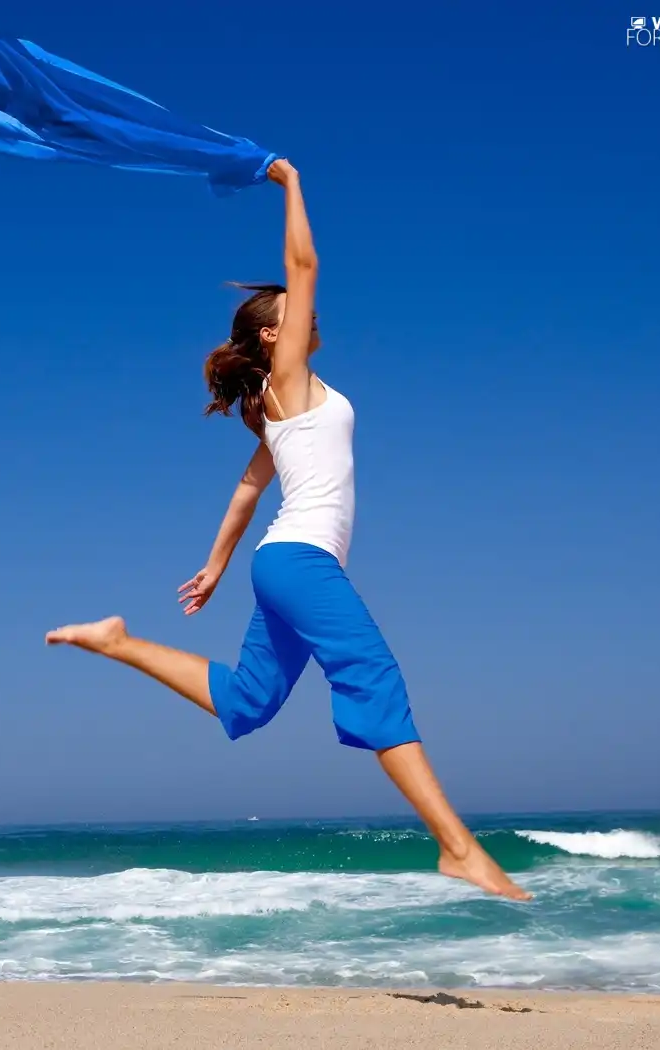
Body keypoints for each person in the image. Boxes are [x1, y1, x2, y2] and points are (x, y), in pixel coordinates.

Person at [45, 158, 529, 900]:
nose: (305, 318)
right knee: (373, 677)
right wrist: (291, 181)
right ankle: (457, 848)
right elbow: (303, 261)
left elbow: (248, 485)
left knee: (246, 703)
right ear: (274, 338)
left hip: (282, 562)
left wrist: (214, 565)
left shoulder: (280, 404)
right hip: (301, 562)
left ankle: (117, 640)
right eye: (290, 316)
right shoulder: (290, 378)